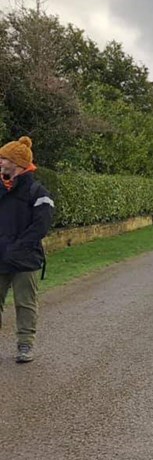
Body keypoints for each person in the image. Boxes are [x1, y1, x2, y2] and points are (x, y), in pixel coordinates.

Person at [0, 136, 54, 363]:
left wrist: (18, 247)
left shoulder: (37, 191)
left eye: (4, 158)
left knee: (25, 303)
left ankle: (25, 345)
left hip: (26, 257)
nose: (0, 162)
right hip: (0, 255)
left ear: (18, 163)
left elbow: (41, 225)